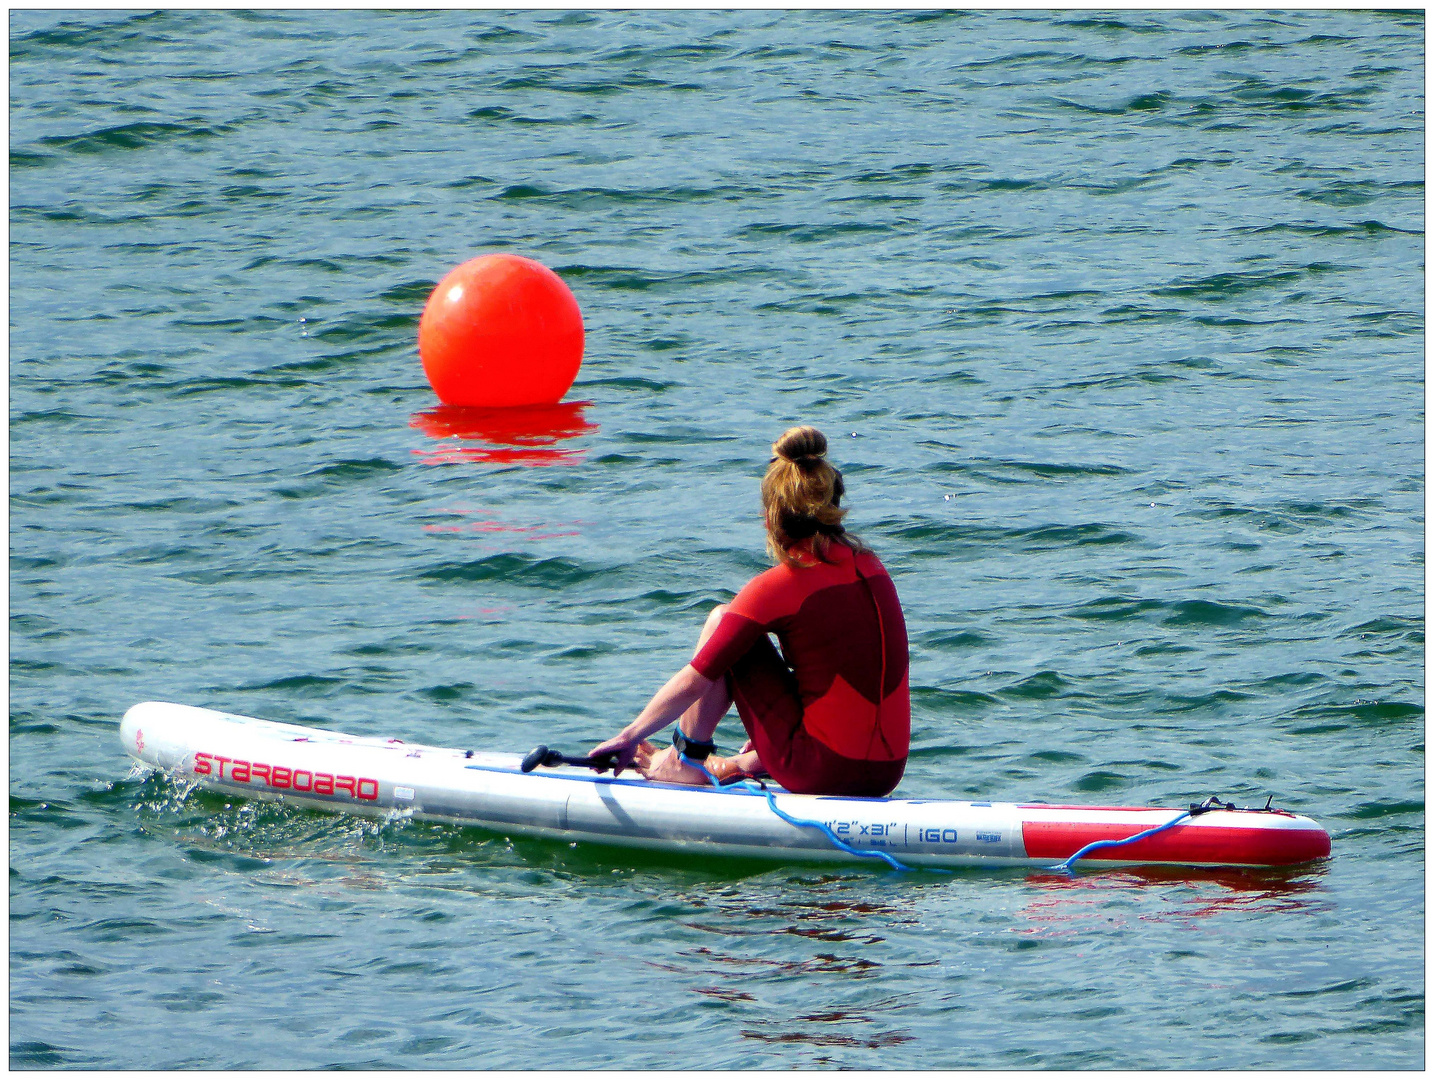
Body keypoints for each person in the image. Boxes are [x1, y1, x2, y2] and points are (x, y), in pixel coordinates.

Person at [590, 425, 909, 797]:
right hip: (886, 771)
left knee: (723, 621)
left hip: (821, 772)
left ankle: (683, 761)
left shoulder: (782, 584)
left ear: (772, 516)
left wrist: (630, 736)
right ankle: (742, 764)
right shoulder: (873, 567)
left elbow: (698, 678)